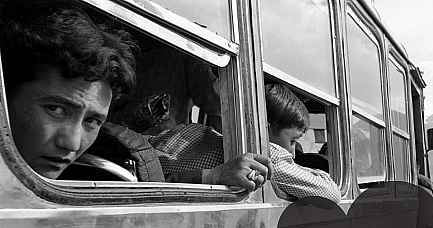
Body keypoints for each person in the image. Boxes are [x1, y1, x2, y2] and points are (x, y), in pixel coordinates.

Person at [0, 6, 268, 191]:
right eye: (56, 109)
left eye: (93, 120)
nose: (71, 142)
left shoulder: (99, 171)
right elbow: (217, 105)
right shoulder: (188, 58)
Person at [265, 83, 341, 203]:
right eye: (292, 141)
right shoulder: (273, 160)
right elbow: (331, 195)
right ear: (265, 132)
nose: (293, 154)